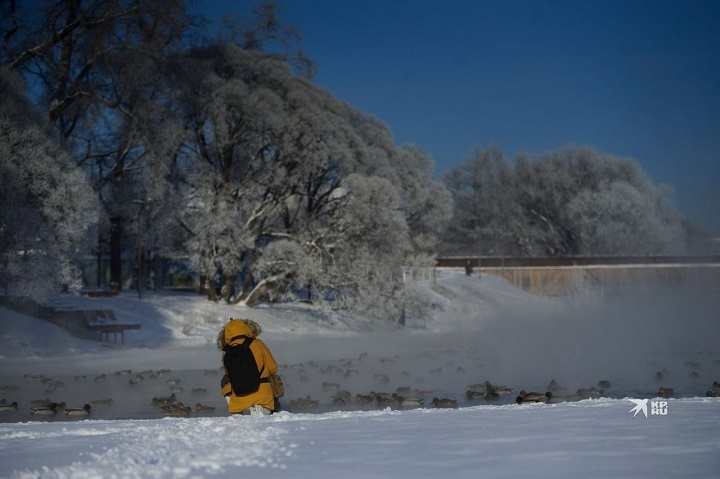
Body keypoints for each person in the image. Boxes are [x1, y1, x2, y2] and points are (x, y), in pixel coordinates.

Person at [219, 318, 278, 415]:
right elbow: (273, 368)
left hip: (238, 394)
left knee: (225, 380)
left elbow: (228, 373)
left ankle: (236, 410)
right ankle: (261, 409)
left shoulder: (226, 350)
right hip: (261, 392)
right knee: (273, 379)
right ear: (246, 328)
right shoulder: (257, 343)